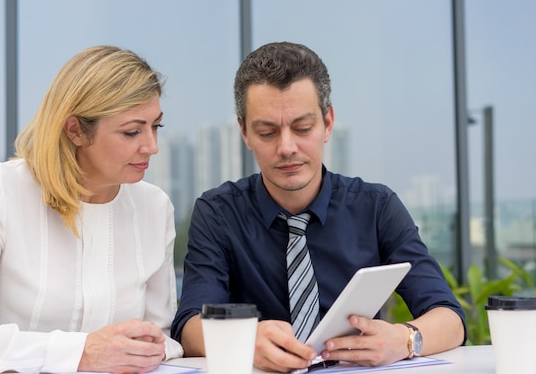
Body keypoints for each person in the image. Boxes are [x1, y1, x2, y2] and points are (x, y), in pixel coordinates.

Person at [171, 42, 466, 373]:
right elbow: (188, 326)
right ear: (244, 133)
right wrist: (244, 338)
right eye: (267, 132)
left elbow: (450, 317)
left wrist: (406, 339)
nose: (287, 147)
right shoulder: (218, 213)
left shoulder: (376, 207)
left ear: (328, 122)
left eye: (302, 128)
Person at [0, 45, 184, 373]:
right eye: (131, 131)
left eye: (156, 126)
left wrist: (148, 347)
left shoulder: (154, 207)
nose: (152, 146)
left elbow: (160, 336)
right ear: (75, 130)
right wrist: (80, 352)